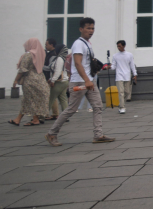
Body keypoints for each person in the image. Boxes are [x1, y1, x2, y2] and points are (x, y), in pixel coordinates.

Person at [46, 17, 115, 146]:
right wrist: (87, 80)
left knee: (98, 106)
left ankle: (98, 135)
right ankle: (52, 133)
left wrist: (90, 79)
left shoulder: (87, 43)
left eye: (93, 28)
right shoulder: (78, 43)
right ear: (81, 29)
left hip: (89, 80)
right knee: (71, 109)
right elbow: (77, 63)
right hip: (80, 81)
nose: (91, 31)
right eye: (88, 28)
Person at [8, 39, 51, 127]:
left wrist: (15, 80)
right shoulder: (41, 54)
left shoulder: (28, 55)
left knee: (30, 99)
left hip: (30, 80)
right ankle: (18, 119)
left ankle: (35, 120)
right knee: (27, 99)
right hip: (40, 79)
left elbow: (22, 69)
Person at [45, 39, 70, 118]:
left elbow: (58, 71)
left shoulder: (59, 59)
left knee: (50, 98)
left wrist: (52, 80)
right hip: (64, 81)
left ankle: (43, 115)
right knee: (63, 99)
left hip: (59, 82)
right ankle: (65, 116)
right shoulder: (62, 58)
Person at [112, 40, 137, 114]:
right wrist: (109, 67)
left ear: (124, 46)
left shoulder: (129, 55)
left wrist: (135, 74)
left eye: (119, 46)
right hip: (119, 76)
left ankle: (121, 104)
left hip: (127, 75)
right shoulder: (115, 56)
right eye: (117, 46)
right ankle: (122, 107)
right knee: (121, 92)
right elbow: (113, 66)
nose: (118, 48)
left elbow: (132, 65)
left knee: (127, 92)